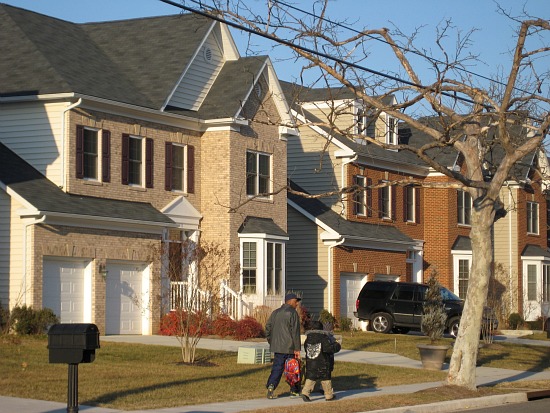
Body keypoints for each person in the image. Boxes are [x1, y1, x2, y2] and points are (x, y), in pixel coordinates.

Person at [265, 292, 302, 399]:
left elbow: (268, 328)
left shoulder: (275, 312)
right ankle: (294, 391)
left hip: (277, 348)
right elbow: (295, 332)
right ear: (290, 301)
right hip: (289, 348)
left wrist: (271, 341)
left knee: (277, 368)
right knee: (292, 369)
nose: (297, 304)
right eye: (296, 302)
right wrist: (297, 348)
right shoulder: (292, 313)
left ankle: (271, 387)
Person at [301, 320, 341, 402]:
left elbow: (306, 348)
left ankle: (305, 393)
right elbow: (328, 348)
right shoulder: (323, 338)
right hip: (322, 363)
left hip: (311, 362)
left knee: (310, 378)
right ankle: (329, 396)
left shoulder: (308, 338)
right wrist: (337, 345)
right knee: (326, 379)